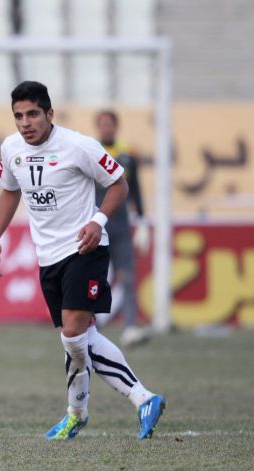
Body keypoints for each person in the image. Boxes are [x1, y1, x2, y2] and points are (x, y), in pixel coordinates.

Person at [0, 81, 165, 440]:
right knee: (78, 338)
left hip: (85, 250)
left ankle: (138, 399)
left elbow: (119, 184)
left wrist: (98, 221)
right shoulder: (10, 148)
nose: (25, 123)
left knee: (73, 333)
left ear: (50, 113)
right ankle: (82, 414)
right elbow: (10, 191)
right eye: (19, 116)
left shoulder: (79, 146)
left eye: (33, 114)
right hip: (47, 256)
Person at [94, 110, 150, 348]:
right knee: (95, 278)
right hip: (97, 225)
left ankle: (129, 328)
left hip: (121, 225)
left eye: (110, 124)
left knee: (127, 276)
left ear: (116, 126)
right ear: (98, 127)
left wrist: (142, 221)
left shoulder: (128, 154)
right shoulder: (91, 151)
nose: (107, 128)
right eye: (103, 124)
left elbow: (135, 189)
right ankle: (92, 328)